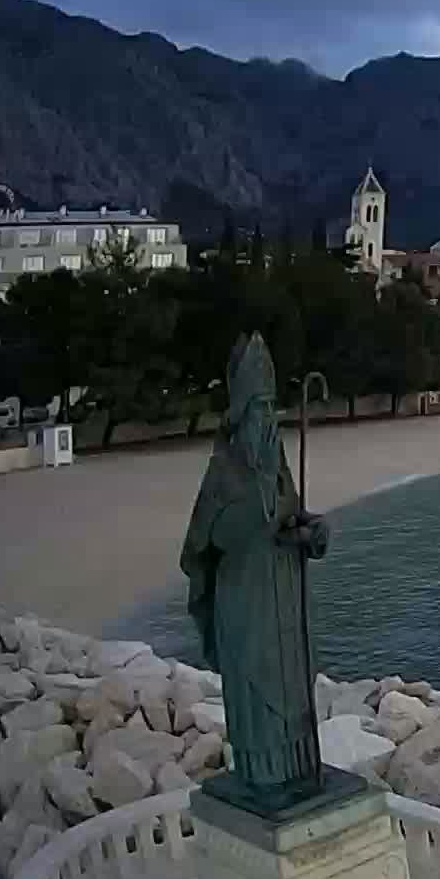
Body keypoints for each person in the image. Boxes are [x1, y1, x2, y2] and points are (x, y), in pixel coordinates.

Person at [179, 334, 329, 802]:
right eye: (258, 410)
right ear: (241, 416)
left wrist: (315, 534)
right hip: (246, 604)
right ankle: (264, 777)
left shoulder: (279, 469)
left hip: (284, 599)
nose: (268, 421)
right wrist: (256, 521)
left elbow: (295, 518)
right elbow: (205, 543)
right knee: (257, 696)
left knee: (293, 691)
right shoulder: (223, 475)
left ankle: (299, 771)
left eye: (271, 409)